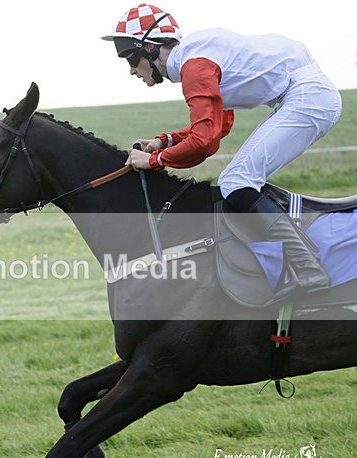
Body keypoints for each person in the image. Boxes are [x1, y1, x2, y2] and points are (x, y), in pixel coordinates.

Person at [103, 3, 342, 298]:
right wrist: (165, 141)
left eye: (130, 57)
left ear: (151, 48)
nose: (130, 70)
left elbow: (205, 142)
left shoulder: (195, 65)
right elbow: (218, 127)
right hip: (307, 95)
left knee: (236, 181)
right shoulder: (197, 57)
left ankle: (308, 269)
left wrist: (154, 160)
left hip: (307, 97)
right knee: (238, 179)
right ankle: (296, 263)